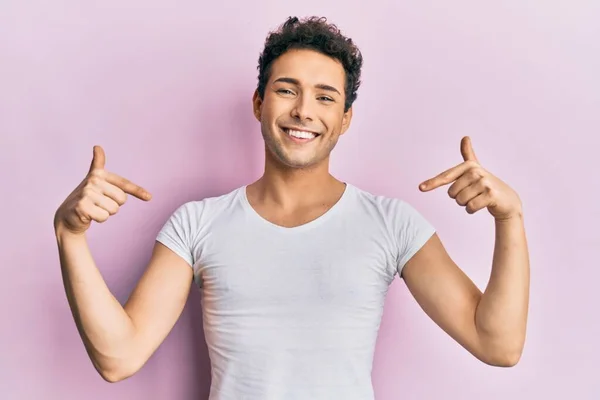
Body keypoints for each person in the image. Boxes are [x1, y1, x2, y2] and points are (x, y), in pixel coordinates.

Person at [53, 16, 530, 400]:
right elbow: (119, 358)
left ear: (344, 120)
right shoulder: (197, 223)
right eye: (287, 90)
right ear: (259, 103)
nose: (304, 110)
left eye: (325, 97)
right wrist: (69, 236)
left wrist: (510, 219)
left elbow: (499, 344)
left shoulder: (391, 224)